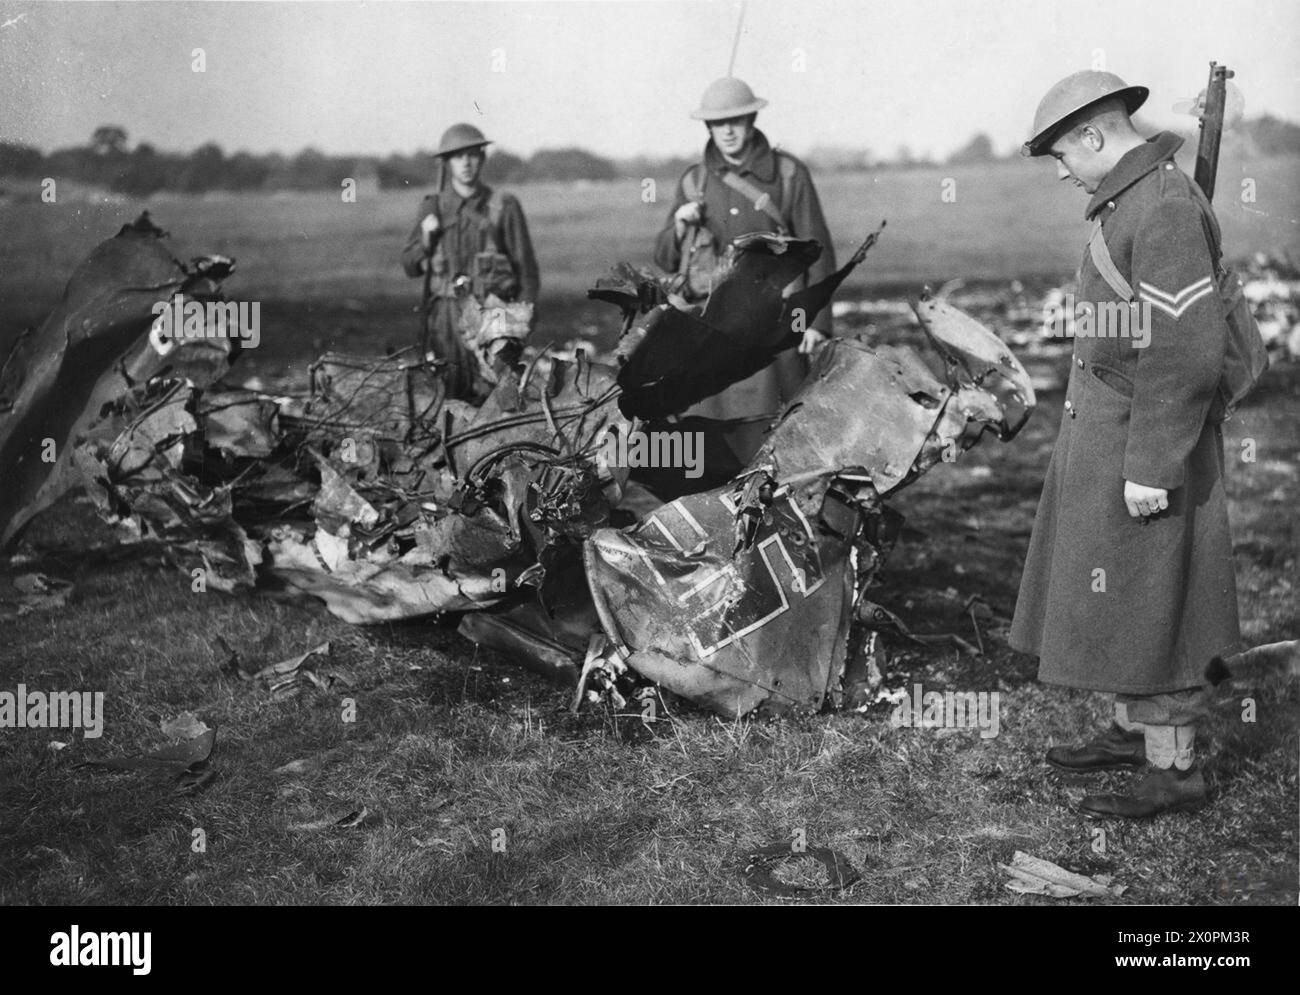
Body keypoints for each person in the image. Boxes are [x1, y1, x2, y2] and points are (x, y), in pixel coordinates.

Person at [1010, 71, 1240, 818]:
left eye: (1061, 153)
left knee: (1154, 599)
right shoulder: (1132, 198)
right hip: (1108, 427)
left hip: (1147, 439)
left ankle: (1174, 771)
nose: (1059, 170)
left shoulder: (1164, 207)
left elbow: (1186, 352)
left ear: (1094, 136)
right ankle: (1128, 728)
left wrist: (1151, 464)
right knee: (1115, 585)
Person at [653, 77, 836, 465]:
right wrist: (681, 225)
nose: (728, 131)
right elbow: (667, 260)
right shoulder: (694, 181)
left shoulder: (788, 174)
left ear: (752, 119)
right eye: (719, 123)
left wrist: (816, 322)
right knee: (707, 439)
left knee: (782, 434)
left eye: (736, 120)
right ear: (708, 127)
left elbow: (817, 251)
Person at [401, 123, 539, 401]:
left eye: (473, 154)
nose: (466, 163)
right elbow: (409, 263)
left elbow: (527, 273)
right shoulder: (433, 207)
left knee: (495, 401)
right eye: (457, 156)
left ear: (483, 158)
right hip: (445, 320)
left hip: (493, 316)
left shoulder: (503, 206)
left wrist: (521, 326)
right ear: (447, 163)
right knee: (446, 397)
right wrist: (427, 242)